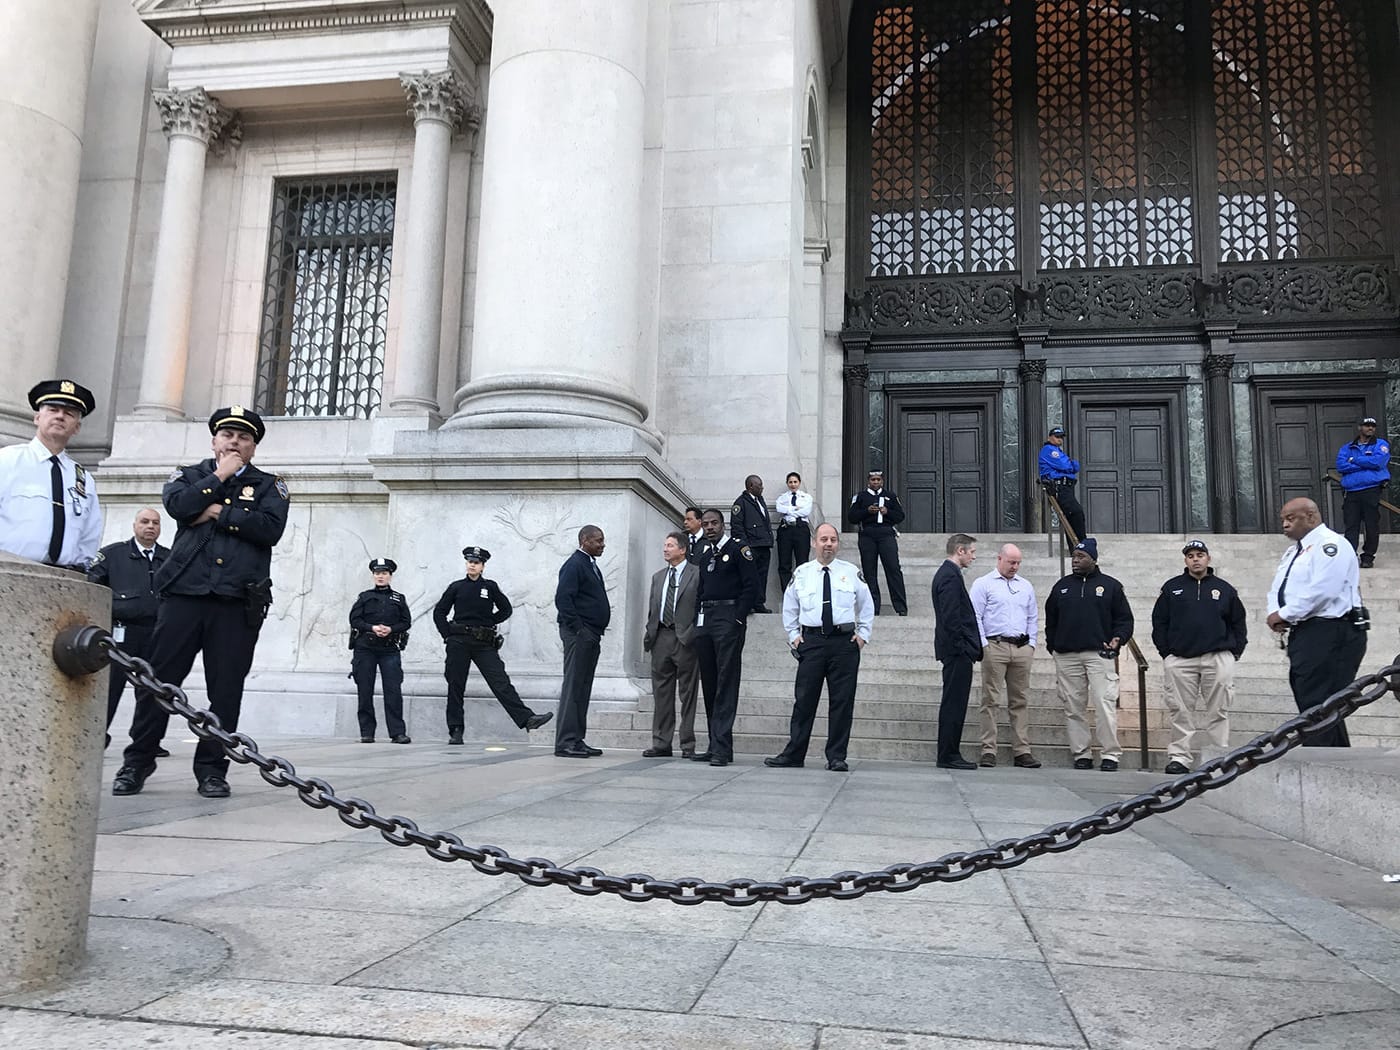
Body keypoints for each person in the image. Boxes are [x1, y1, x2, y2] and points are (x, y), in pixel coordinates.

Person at [112, 406, 290, 798]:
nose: (234, 442)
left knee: (225, 691)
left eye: (244, 437)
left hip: (236, 601)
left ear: (254, 446)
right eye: (227, 435)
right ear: (214, 441)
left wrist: (216, 511)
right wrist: (221, 476)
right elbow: (179, 506)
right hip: (184, 596)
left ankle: (212, 768)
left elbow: (269, 529)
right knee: (157, 684)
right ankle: (137, 762)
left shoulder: (269, 486)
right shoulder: (189, 475)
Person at [765, 523, 873, 772]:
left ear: (838, 544)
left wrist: (863, 636)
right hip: (811, 644)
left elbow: (866, 606)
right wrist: (794, 636)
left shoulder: (851, 571)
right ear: (814, 542)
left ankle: (836, 756)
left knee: (842, 702)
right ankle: (794, 753)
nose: (828, 544)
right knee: (804, 700)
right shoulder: (802, 573)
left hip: (844, 644)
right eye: (823, 539)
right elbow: (790, 607)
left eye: (833, 540)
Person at [1266, 497, 1367, 747]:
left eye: (1291, 519)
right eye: (1283, 520)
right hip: (1307, 630)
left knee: (1320, 701)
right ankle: (1335, 758)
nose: (1285, 525)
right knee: (1313, 700)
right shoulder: (1294, 551)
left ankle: (1322, 756)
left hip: (1332, 629)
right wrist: (1275, 611)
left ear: (1311, 516)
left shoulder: (1329, 545)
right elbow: (1278, 587)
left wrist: (1285, 614)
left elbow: (1324, 591)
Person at [435, 546, 553, 745]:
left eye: (476, 562)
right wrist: (447, 635)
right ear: (466, 563)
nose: (472, 565)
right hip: (459, 642)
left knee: (500, 682)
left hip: (483, 643)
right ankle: (456, 730)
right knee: (456, 686)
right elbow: (439, 612)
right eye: (470, 561)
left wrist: (490, 621)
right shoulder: (456, 587)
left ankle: (527, 719)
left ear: (482, 566)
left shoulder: (489, 587)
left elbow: (506, 609)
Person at [1151, 540, 1248, 774]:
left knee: (1219, 710)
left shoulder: (1224, 589)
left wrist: (1234, 651)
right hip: (1181, 659)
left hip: (1217, 657)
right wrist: (1166, 652)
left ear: (1208, 559)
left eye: (1200, 555)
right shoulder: (1172, 588)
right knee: (1180, 710)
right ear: (1185, 560)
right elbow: (1160, 622)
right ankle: (1180, 757)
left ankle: (1219, 756)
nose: (1196, 559)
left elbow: (1238, 623)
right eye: (1191, 555)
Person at [1044, 537, 1132, 771]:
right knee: (1073, 707)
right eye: (1073, 556)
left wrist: (1118, 639)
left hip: (1099, 654)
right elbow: (1050, 619)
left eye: (1081, 557)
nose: (1075, 560)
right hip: (1067, 655)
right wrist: (1052, 645)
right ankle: (1081, 753)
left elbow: (1124, 620)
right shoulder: (1061, 587)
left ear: (1093, 559)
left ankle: (1110, 754)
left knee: (1104, 704)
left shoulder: (1111, 586)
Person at [88, 508, 169, 749]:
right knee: (110, 688)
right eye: (145, 522)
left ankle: (147, 741)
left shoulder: (169, 557)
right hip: (121, 633)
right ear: (135, 525)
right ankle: (97, 737)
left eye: (155, 522)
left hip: (155, 632)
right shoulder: (113, 555)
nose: (150, 526)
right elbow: (92, 585)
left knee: (151, 690)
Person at [0, 379, 103, 570]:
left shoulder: (82, 478)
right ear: (37, 418)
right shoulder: (7, 460)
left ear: (77, 427)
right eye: (53, 410)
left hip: (64, 577)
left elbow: (90, 534)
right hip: (9, 570)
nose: (60, 416)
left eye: (69, 413)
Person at [691, 507, 760, 766]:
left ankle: (722, 747)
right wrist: (698, 616)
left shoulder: (738, 549)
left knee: (726, 682)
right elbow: (701, 589)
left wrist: (739, 617)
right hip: (706, 620)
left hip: (728, 617)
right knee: (709, 683)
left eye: (714, 523)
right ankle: (715, 744)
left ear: (723, 525)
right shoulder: (706, 554)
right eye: (706, 523)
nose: (709, 527)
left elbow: (751, 585)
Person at [967, 542, 1041, 768]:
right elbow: (975, 615)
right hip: (995, 645)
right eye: (1011, 562)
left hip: (1021, 647)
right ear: (999, 559)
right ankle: (988, 749)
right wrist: (983, 645)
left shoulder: (1025, 586)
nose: (1015, 567)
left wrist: (1032, 644)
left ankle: (1022, 750)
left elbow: (1032, 616)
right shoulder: (983, 584)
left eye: (1018, 563)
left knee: (1020, 699)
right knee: (990, 699)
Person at [554, 525, 610, 757]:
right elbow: (563, 599)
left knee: (583, 687)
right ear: (584, 540)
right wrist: (579, 629)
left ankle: (577, 739)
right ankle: (565, 741)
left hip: (591, 635)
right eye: (598, 540)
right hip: (580, 635)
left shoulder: (589, 564)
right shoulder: (574, 564)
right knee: (574, 686)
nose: (602, 544)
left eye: (602, 540)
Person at [642, 531, 700, 758]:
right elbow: (652, 609)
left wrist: (694, 633)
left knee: (688, 694)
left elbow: (700, 606)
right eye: (665, 545)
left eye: (670, 545)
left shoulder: (697, 574)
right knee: (662, 693)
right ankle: (661, 743)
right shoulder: (658, 577)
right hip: (661, 638)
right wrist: (650, 633)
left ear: (682, 549)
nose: (665, 549)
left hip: (685, 639)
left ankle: (687, 744)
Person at [931, 533, 981, 770]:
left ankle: (949, 752)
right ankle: (948, 754)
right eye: (971, 552)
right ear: (960, 550)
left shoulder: (948, 574)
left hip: (955, 649)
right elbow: (952, 617)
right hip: (956, 651)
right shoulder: (949, 576)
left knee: (954, 701)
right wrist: (964, 647)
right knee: (954, 702)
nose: (974, 556)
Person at [349, 558, 413, 745]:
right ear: (373, 576)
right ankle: (367, 732)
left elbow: (406, 622)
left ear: (390, 576)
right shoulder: (364, 596)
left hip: (389, 649)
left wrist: (391, 629)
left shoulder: (398, 598)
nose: (380, 576)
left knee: (393, 690)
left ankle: (397, 733)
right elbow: (354, 620)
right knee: (365, 690)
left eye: (384, 573)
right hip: (365, 648)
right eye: (377, 573)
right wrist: (372, 627)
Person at [847, 468, 908, 615]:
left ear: (882, 481)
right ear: (868, 481)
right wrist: (867, 511)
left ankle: (901, 607)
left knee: (893, 569)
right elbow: (852, 517)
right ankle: (873, 607)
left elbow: (900, 516)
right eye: (873, 480)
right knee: (869, 571)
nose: (875, 482)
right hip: (867, 535)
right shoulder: (860, 497)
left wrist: (888, 512)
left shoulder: (890, 496)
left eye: (878, 480)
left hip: (886, 534)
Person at [1335, 416, 1390, 568]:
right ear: (1360, 428)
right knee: (1351, 525)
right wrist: (1366, 464)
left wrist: (1354, 460)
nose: (1370, 428)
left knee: (1371, 524)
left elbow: (1378, 462)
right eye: (1367, 425)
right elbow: (1341, 466)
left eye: (1373, 426)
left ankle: (1368, 557)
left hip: (1371, 490)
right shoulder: (1347, 447)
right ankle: (1350, 556)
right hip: (1351, 491)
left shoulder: (1381, 444)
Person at [730, 475, 775, 612]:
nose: (762, 488)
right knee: (748, 577)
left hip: (763, 545)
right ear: (750, 486)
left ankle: (759, 603)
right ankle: (747, 604)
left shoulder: (760, 500)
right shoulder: (740, 503)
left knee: (762, 576)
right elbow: (736, 527)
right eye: (759, 485)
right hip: (751, 546)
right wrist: (745, 545)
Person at [1038, 426, 1086, 543]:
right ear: (1050, 437)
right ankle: (1081, 545)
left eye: (1061, 437)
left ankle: (1077, 547)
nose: (1060, 439)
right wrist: (1069, 463)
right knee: (1076, 512)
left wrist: (1069, 464)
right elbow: (1066, 466)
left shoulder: (1058, 451)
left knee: (1072, 516)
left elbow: (1075, 467)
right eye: (1057, 436)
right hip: (1059, 487)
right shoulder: (1049, 450)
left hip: (1066, 487)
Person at [774, 471, 813, 591]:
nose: (793, 484)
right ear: (787, 483)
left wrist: (788, 510)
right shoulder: (782, 497)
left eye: (795, 482)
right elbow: (779, 508)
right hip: (786, 529)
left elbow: (805, 511)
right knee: (784, 563)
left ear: (799, 483)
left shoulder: (806, 497)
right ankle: (787, 592)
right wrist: (794, 509)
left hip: (801, 529)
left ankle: (802, 591)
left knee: (802, 562)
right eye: (790, 482)